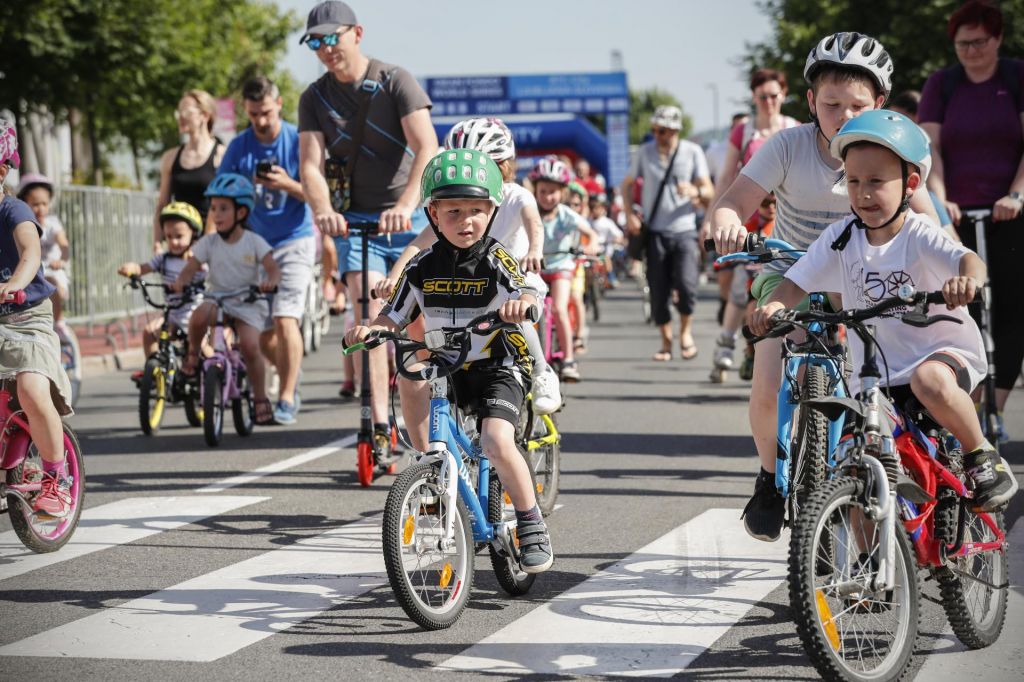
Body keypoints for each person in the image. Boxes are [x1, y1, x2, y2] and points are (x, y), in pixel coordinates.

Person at [708, 32, 941, 542]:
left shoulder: (889, 151)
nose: (843, 116)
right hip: (789, 270)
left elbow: (929, 218)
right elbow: (732, 202)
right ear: (811, 101)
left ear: (880, 105)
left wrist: (947, 257)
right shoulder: (787, 146)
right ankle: (769, 476)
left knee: (883, 376)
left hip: (860, 276)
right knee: (768, 374)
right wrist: (727, 224)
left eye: (857, 106)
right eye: (832, 104)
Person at [752, 109, 1018, 512]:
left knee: (929, 381)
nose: (863, 193)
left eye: (876, 181)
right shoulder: (840, 238)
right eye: (853, 181)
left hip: (941, 356)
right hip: (878, 376)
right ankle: (868, 551)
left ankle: (981, 455)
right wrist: (774, 304)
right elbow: (795, 283)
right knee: (855, 467)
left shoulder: (919, 233)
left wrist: (967, 282)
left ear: (910, 184)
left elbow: (970, 261)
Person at [345, 149, 553, 573]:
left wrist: (524, 302)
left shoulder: (496, 258)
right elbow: (393, 315)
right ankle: (429, 464)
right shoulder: (421, 266)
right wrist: (372, 329)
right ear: (433, 215)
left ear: (492, 212)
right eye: (453, 211)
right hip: (448, 366)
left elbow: (526, 287)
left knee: (496, 442)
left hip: (498, 365)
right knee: (411, 373)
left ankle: (531, 521)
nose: (466, 221)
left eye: (476, 210)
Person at [297, 0, 438, 455]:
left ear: (356, 33)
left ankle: (431, 418)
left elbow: (427, 146)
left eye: (331, 37)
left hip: (409, 221)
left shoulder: (396, 80)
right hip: (358, 223)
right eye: (315, 42)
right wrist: (324, 210)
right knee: (371, 315)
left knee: (418, 325)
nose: (325, 49)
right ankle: (379, 422)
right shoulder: (313, 98)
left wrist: (406, 204)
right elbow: (310, 165)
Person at [373, 117, 563, 420]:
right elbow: (417, 245)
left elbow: (534, 223)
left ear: (502, 165)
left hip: (512, 277)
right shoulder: (453, 204)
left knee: (516, 315)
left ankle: (541, 371)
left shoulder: (515, 195)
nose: (470, 171)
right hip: (471, 278)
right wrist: (393, 277)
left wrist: (534, 251)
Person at [918, 0, 1024, 443]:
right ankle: (967, 406)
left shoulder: (1015, 78)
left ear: (997, 39)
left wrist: (1016, 194)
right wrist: (941, 201)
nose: (971, 51)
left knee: (1012, 310)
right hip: (957, 215)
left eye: (979, 42)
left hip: (1010, 212)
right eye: (963, 44)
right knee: (961, 307)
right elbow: (930, 149)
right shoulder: (942, 85)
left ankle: (993, 409)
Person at [217, 76, 314, 425]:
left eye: (266, 113)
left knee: (286, 317)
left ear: (279, 105)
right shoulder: (239, 147)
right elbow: (221, 193)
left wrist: (286, 183)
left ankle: (286, 396)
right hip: (255, 246)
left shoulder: (297, 141)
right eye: (254, 113)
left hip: (294, 239)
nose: (260, 120)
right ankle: (290, 373)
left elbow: (319, 194)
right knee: (262, 332)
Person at [0, 121, 74, 518]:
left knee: (31, 388)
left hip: (25, 316)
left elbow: (30, 251)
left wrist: (15, 282)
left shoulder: (14, 210)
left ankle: (56, 480)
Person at [707, 71, 800, 376]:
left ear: (783, 95)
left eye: (774, 96)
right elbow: (726, 178)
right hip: (748, 219)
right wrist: (712, 220)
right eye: (763, 97)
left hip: (785, 220)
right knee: (741, 286)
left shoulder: (794, 129)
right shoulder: (744, 132)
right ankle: (726, 344)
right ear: (754, 98)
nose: (769, 102)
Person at [172, 173, 280, 426]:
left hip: (247, 301)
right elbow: (190, 267)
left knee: (251, 346)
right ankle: (192, 354)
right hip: (218, 299)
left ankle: (260, 398)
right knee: (198, 316)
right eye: (213, 208)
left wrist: (271, 280)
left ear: (241, 212)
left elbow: (272, 268)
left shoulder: (253, 241)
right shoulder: (208, 243)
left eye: (223, 208)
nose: (216, 214)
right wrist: (181, 281)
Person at [621, 105, 714, 362]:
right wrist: (629, 214)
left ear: (675, 130)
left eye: (662, 131)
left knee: (687, 285)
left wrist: (695, 192)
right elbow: (626, 184)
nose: (657, 135)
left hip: (684, 231)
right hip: (655, 232)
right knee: (658, 291)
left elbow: (709, 191)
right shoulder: (645, 152)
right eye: (654, 130)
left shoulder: (692, 152)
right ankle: (665, 342)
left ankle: (685, 333)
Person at [532, 157, 599, 382]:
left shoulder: (566, 214)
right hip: (536, 267)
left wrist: (591, 245)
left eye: (553, 192)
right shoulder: (530, 212)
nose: (547, 197)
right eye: (542, 191)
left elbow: (591, 234)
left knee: (560, 309)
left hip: (561, 265)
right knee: (527, 311)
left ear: (562, 193)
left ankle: (569, 359)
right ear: (535, 190)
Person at [117, 202, 206, 359]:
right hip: (172, 317)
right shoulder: (163, 259)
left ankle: (218, 371)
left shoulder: (197, 261)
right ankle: (155, 368)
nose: (173, 242)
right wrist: (131, 268)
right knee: (149, 333)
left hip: (195, 318)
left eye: (179, 236)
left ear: (193, 234)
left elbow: (210, 273)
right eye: (169, 237)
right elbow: (143, 268)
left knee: (203, 350)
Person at [153, 89, 224, 251]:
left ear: (204, 115)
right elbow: (162, 204)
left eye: (186, 112)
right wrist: (157, 242)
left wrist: (203, 249)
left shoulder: (222, 156)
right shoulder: (170, 157)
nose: (180, 117)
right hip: (180, 245)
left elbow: (222, 205)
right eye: (178, 112)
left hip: (214, 245)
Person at [16, 174, 70, 328]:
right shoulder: (22, 225)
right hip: (31, 272)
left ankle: (59, 323)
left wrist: (62, 259)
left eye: (44, 204)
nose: (41, 209)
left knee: (51, 285)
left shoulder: (52, 224)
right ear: (24, 203)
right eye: (35, 204)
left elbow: (64, 244)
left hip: (53, 271)